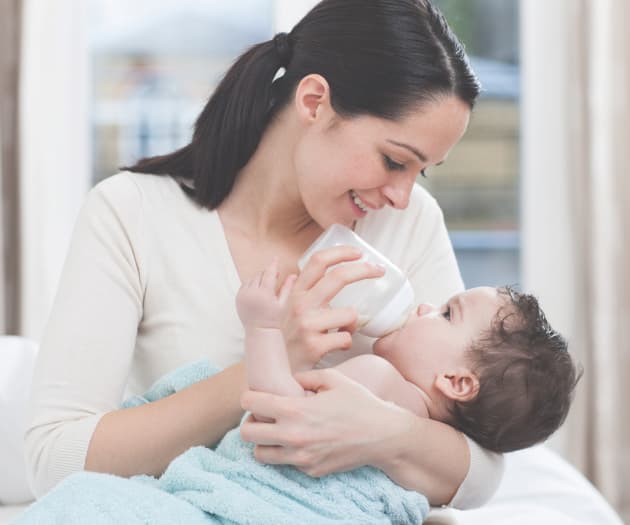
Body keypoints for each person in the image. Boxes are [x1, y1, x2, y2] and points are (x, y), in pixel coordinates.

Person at [25, 0, 497, 508]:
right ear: (314, 101)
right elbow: (53, 462)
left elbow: (481, 467)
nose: (402, 196)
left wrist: (381, 431)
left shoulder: (407, 223)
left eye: (420, 172)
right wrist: (269, 361)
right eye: (394, 160)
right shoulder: (131, 215)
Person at [238, 257, 581, 454]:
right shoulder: (427, 443)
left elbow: (279, 420)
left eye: (447, 314)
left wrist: (263, 328)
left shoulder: (378, 379)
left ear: (457, 381)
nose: (425, 307)